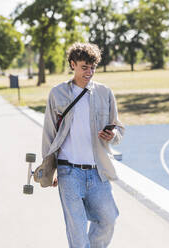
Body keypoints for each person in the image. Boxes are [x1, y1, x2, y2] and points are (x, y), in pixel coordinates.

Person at [41, 42, 124, 248]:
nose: (89, 72)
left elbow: (119, 130)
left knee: (108, 220)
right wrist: (48, 169)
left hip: (98, 173)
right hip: (69, 173)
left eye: (92, 67)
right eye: (84, 67)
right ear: (73, 65)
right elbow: (49, 134)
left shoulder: (105, 93)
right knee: (77, 232)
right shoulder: (57, 93)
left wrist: (111, 135)